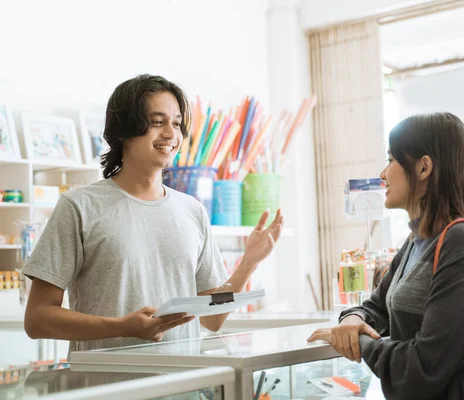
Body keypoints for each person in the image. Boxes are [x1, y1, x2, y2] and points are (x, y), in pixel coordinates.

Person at [23, 74, 283, 354]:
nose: (171, 134)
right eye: (157, 122)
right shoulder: (79, 206)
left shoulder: (192, 211)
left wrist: (248, 263)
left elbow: (213, 318)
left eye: (177, 124)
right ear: (123, 130)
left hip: (184, 388)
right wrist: (123, 326)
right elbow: (37, 319)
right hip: (106, 389)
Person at [308, 112, 464, 399]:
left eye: (391, 160)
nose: (383, 174)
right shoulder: (416, 241)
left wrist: (358, 341)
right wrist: (352, 319)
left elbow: (424, 366)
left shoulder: (459, 241)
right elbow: (377, 306)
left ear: (424, 167)